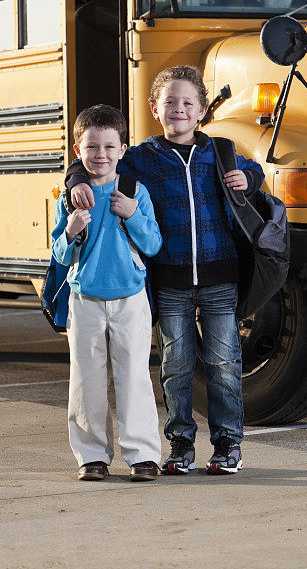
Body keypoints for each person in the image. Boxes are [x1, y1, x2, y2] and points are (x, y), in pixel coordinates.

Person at [66, 66, 264, 475]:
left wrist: (248, 176)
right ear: (155, 109)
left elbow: (256, 171)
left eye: (188, 103)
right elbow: (98, 161)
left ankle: (228, 444)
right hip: (169, 279)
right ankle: (180, 444)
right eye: (170, 102)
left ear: (202, 110)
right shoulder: (142, 157)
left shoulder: (220, 150)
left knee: (224, 364)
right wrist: (73, 179)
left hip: (219, 276)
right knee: (175, 366)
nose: (179, 109)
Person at [51, 104, 162, 482]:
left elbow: (153, 244)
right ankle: (92, 457)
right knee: (86, 382)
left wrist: (132, 213)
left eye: (109, 147)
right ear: (78, 152)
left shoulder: (134, 192)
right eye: (92, 147)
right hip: (85, 301)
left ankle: (143, 455)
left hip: (130, 299)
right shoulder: (71, 198)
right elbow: (59, 254)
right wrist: (69, 229)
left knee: (134, 377)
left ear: (123, 150)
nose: (101, 155)